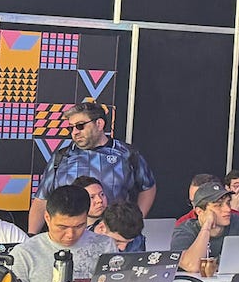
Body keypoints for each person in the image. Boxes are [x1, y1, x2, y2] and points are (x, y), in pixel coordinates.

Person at [31, 100, 156, 233]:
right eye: (71, 128)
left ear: (99, 124)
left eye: (80, 126)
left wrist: (134, 224)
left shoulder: (126, 154)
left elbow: (148, 188)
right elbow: (42, 200)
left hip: (114, 235)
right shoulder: (61, 157)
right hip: (72, 237)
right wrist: (31, 235)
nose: (74, 132)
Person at [170, 179, 239, 272]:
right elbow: (192, 266)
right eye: (218, 205)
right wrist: (206, 227)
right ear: (200, 211)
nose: (227, 209)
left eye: (228, 203)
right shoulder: (185, 230)